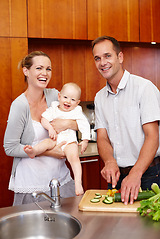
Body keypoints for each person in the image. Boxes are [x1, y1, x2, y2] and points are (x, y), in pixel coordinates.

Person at [3, 51, 79, 205]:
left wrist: (67, 124)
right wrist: (50, 152)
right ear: (26, 71)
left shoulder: (55, 95)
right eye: (39, 68)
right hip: (32, 185)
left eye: (48, 69)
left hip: (61, 182)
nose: (44, 73)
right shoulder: (19, 106)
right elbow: (10, 148)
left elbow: (78, 122)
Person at [92, 36, 160, 205]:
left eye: (108, 56)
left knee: (149, 229)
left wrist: (135, 174)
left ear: (120, 57)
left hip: (148, 174)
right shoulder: (100, 97)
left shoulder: (144, 88)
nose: (102, 62)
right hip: (116, 175)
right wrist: (109, 161)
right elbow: (102, 137)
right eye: (97, 58)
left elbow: (153, 136)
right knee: (119, 227)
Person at [24, 82, 90, 196]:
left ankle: (78, 184)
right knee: (45, 143)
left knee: (74, 159)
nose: (68, 101)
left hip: (69, 142)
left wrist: (85, 140)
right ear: (59, 96)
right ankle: (34, 151)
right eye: (65, 97)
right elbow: (43, 119)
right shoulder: (54, 108)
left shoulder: (77, 111)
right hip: (55, 138)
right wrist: (50, 129)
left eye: (73, 100)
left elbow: (85, 125)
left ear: (78, 102)